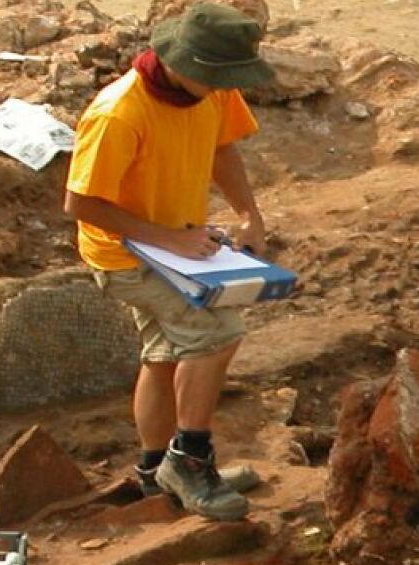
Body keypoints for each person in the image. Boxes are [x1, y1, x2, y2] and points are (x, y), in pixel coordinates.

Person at [63, 3, 275, 520]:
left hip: (174, 245)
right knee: (217, 333)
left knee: (163, 356)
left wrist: (250, 214)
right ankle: (188, 461)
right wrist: (164, 239)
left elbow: (223, 147)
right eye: (223, 78)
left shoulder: (213, 86)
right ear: (187, 63)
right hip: (124, 253)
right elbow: (81, 203)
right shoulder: (119, 113)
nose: (230, 86)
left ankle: (154, 472)